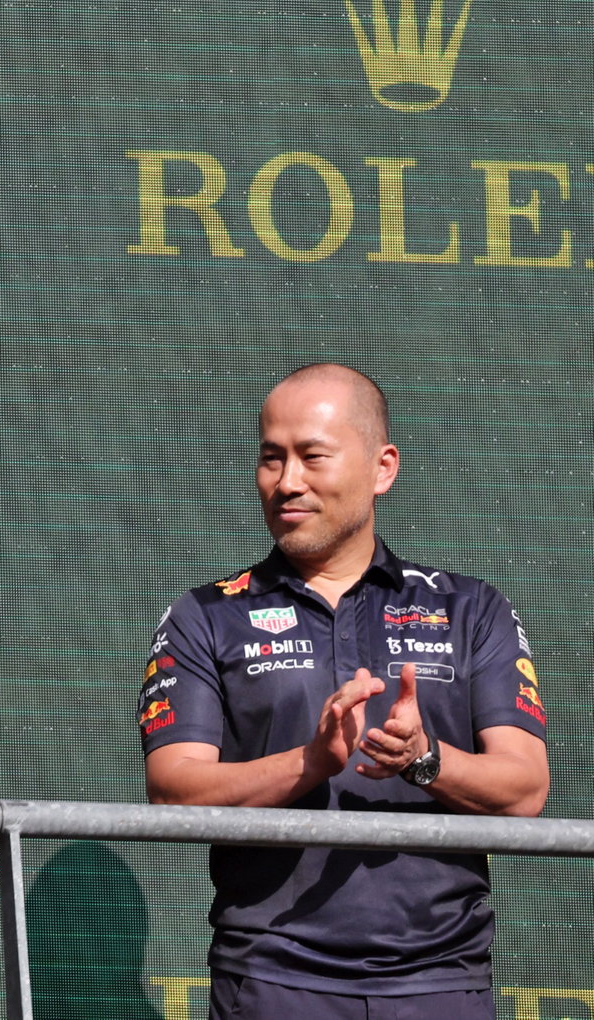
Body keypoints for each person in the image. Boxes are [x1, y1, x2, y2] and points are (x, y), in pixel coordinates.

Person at [138, 363, 549, 1020]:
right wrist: (310, 763)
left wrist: (425, 758)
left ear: (383, 468)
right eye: (271, 458)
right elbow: (171, 789)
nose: (287, 481)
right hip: (269, 980)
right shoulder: (205, 615)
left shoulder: (471, 609)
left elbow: (525, 790)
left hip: (443, 981)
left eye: (312, 456)